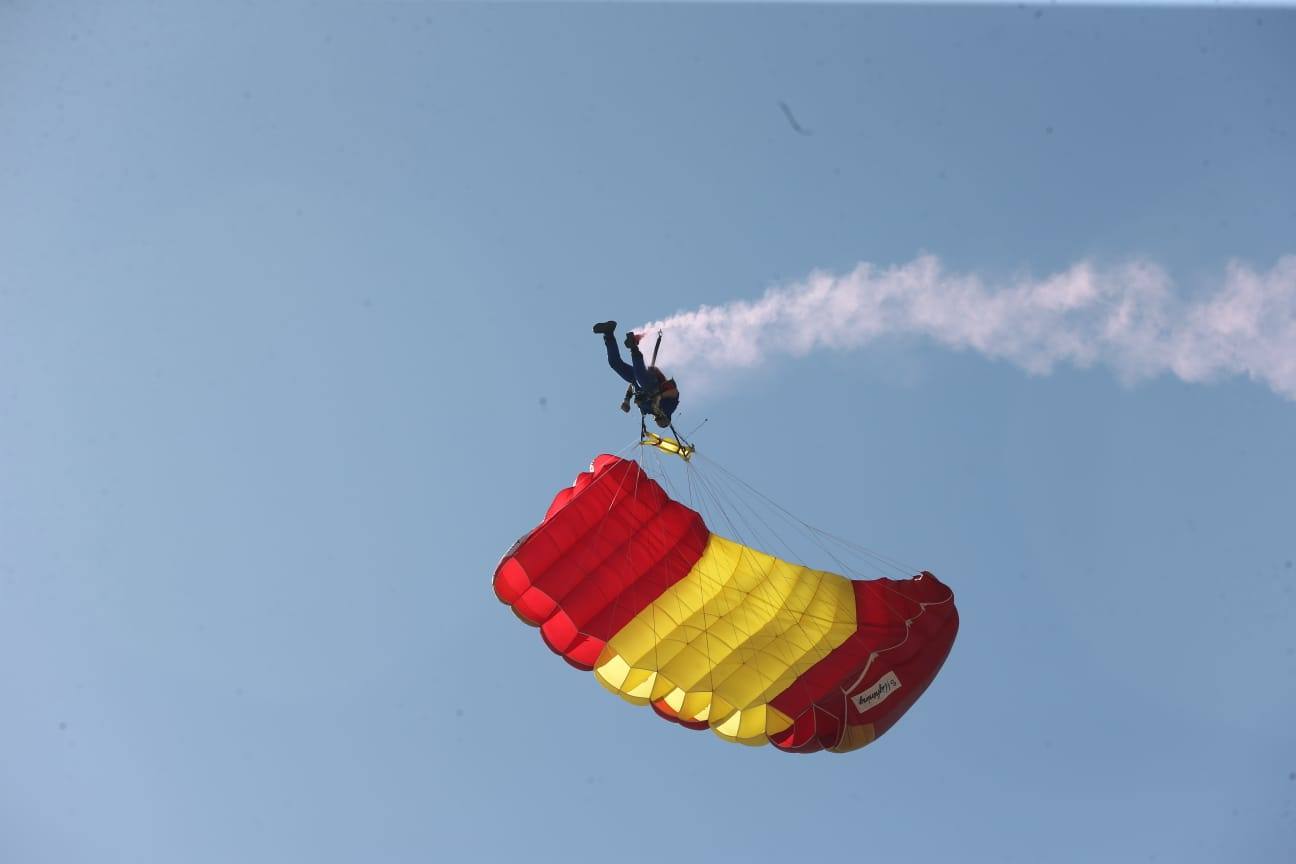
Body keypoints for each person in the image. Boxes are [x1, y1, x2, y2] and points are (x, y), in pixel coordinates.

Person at [593, 321, 679, 428]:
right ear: (666, 419)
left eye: (656, 420)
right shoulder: (669, 408)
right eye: (661, 421)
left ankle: (608, 333)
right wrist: (658, 397)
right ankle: (634, 347)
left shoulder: (646, 410)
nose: (656, 419)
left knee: (615, 363)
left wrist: (627, 400)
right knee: (640, 378)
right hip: (651, 383)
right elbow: (674, 392)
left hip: (638, 380)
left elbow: (633, 385)